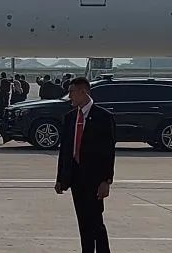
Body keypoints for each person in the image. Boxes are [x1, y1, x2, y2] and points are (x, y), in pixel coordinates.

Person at [55, 77, 116, 253]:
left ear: (83, 92)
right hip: (76, 178)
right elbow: (65, 151)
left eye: (72, 92)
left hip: (95, 179)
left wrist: (106, 180)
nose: (69, 96)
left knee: (96, 221)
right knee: (83, 222)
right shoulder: (70, 117)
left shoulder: (103, 117)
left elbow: (108, 152)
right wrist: (60, 178)